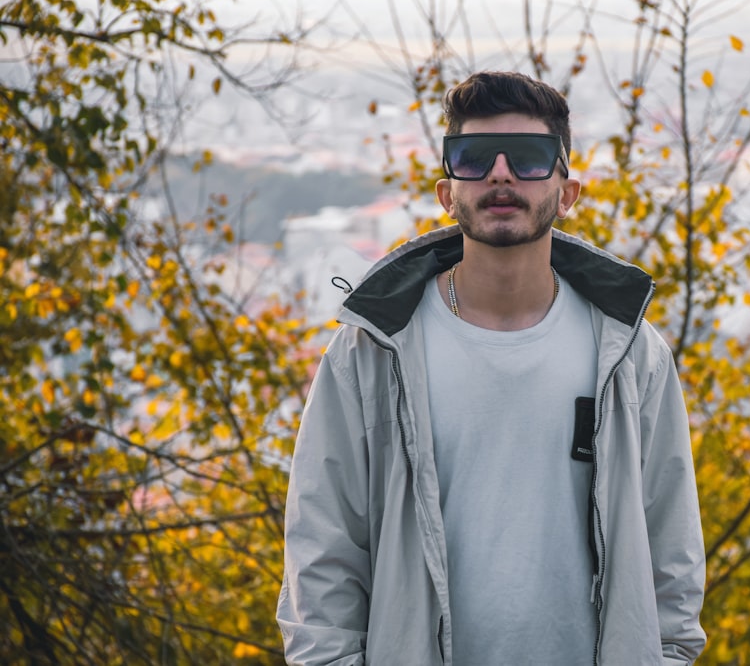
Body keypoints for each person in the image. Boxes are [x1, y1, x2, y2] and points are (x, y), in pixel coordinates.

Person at [276, 70, 706, 665]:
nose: (501, 174)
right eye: (474, 158)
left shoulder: (630, 353)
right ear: (447, 191)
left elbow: (671, 552)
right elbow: (321, 556)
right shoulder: (372, 351)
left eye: (530, 159)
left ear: (568, 191)